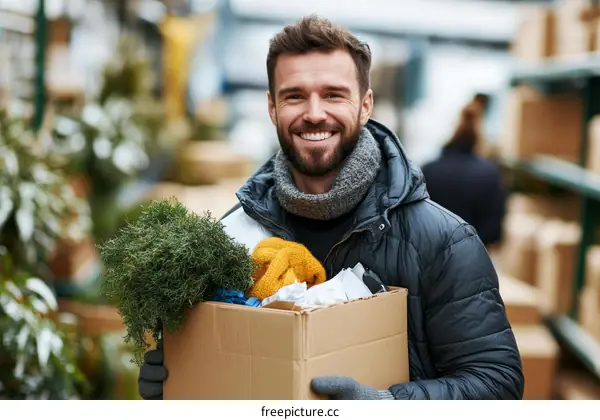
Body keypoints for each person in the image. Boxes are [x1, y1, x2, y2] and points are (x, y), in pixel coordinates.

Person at [138, 15, 523, 400]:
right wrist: (183, 383)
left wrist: (388, 405)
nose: (315, 113)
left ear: (365, 105)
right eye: (294, 96)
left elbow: (497, 383)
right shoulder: (233, 236)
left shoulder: (442, 242)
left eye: (334, 94)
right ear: (272, 108)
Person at [421, 95, 506, 249]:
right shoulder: (489, 174)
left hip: (429, 259)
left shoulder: (428, 170)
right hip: (470, 261)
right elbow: (493, 233)